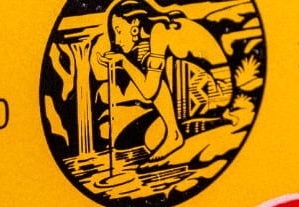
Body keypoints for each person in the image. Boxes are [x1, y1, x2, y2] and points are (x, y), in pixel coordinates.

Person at [98, 0, 234, 160]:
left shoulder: (159, 32)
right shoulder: (155, 34)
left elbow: (149, 91)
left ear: (134, 24)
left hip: (218, 92)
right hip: (201, 91)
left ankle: (175, 134)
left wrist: (123, 62)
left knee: (154, 78)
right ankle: (199, 125)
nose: (117, 40)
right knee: (150, 138)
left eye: (118, 31)